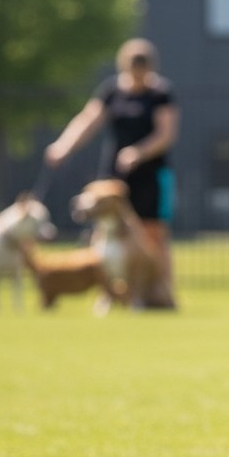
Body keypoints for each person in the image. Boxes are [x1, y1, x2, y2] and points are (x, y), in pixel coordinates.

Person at [45, 37, 180, 309]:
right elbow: (88, 120)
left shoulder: (161, 94)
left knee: (153, 233)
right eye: (133, 73)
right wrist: (64, 146)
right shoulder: (112, 91)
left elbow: (166, 134)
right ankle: (109, 293)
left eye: (143, 73)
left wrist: (138, 152)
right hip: (115, 176)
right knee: (104, 234)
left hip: (150, 174)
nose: (138, 79)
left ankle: (162, 293)